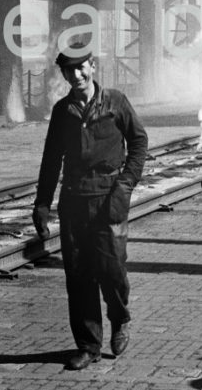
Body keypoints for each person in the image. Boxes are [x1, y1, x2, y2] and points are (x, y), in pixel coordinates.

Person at [32, 43, 148, 369]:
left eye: (82, 67)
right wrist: (42, 204)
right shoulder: (62, 112)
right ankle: (88, 345)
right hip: (73, 201)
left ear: (93, 65)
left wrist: (124, 187)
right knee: (79, 275)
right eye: (70, 70)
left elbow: (139, 141)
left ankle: (120, 318)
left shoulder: (115, 103)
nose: (77, 75)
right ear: (65, 74)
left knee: (112, 269)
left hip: (109, 199)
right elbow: (51, 160)